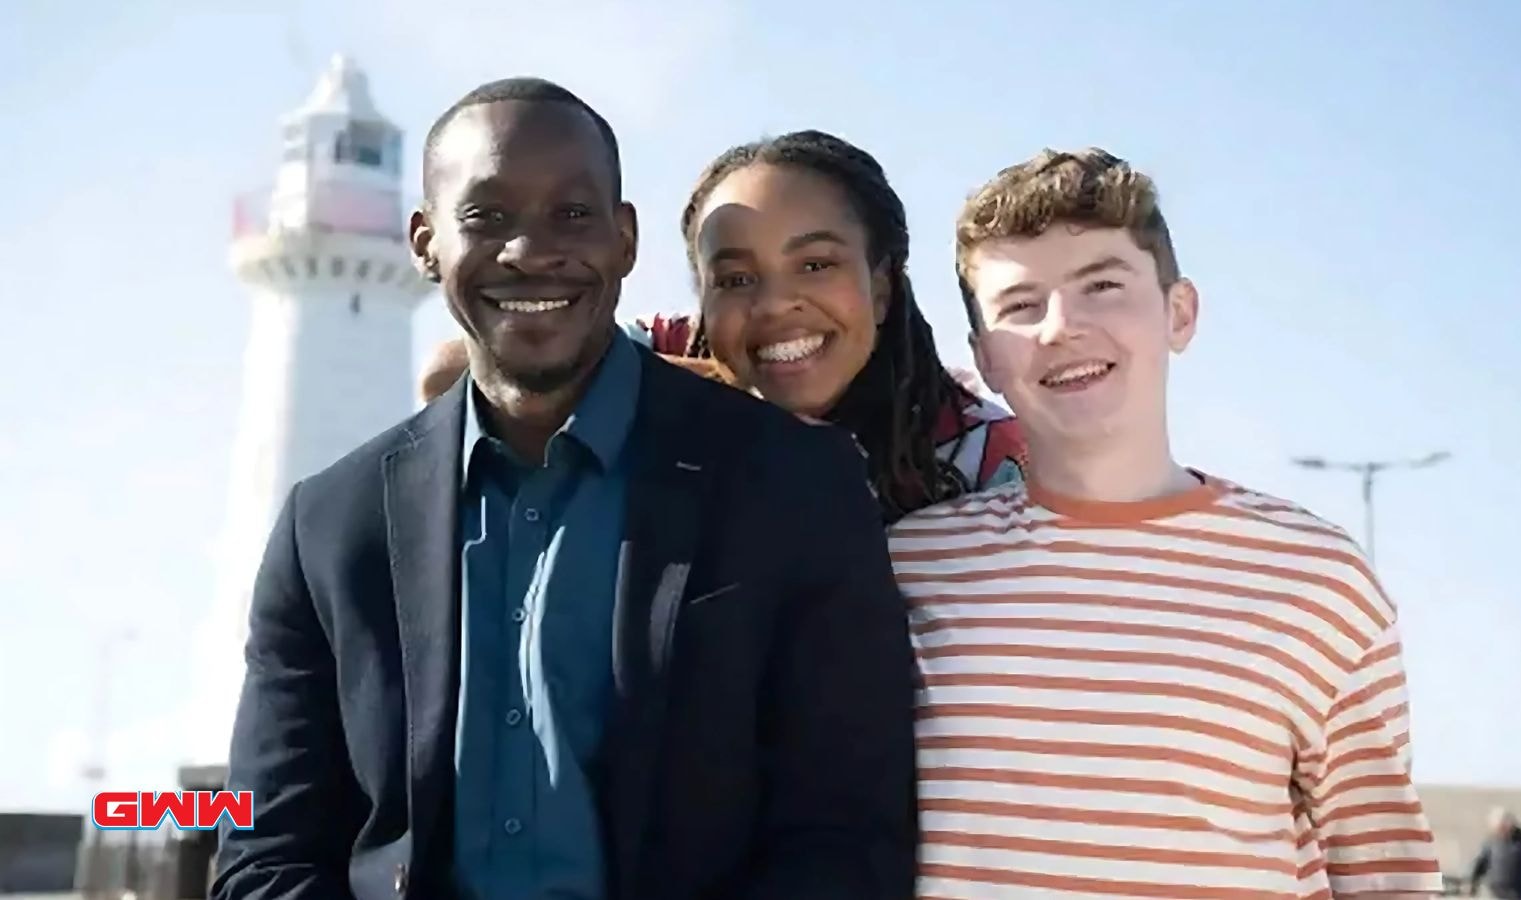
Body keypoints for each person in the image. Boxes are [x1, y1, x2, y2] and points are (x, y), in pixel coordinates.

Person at [211, 77, 916, 900]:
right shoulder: (326, 524)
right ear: (424, 240)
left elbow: (845, 840)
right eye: (485, 216)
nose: (530, 250)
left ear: (625, 239)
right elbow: (266, 852)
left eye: (573, 215)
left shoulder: (797, 483)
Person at [888, 147, 1444, 898]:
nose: (1061, 327)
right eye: (1021, 305)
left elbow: (1387, 874)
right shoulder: (910, 566)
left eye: (1103, 286)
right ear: (986, 358)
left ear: (1179, 314)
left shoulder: (1319, 580)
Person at [656, 129, 1027, 521]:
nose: (775, 305)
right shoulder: (651, 360)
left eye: (815, 265)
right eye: (735, 279)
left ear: (882, 285)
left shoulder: (987, 460)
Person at [1469, 807, 1521, 898]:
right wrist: (1472, 882)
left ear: (1510, 824)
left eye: (1503, 827)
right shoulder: (1491, 843)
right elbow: (1480, 863)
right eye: (1498, 828)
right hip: (1497, 894)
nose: (1501, 831)